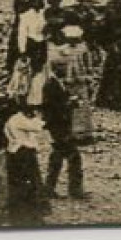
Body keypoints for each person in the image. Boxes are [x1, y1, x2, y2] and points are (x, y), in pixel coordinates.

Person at [39, 68, 84, 200]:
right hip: (58, 126)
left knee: (57, 157)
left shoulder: (55, 83)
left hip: (58, 126)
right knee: (74, 156)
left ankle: (49, 188)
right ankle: (75, 190)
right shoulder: (51, 85)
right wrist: (70, 103)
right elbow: (53, 108)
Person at [4, 99, 48, 224]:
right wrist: (37, 117)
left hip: (14, 151)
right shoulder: (18, 119)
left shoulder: (11, 120)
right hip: (24, 152)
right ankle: (30, 212)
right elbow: (38, 127)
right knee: (31, 183)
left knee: (18, 184)